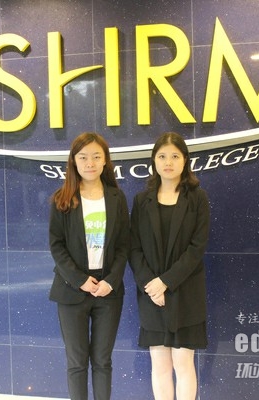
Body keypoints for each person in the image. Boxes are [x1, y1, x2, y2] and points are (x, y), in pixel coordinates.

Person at [48, 132, 129, 400]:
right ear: (74, 161)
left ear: (105, 160)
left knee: (103, 361)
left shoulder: (116, 198)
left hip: (108, 291)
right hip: (72, 290)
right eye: (83, 157)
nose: (90, 163)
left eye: (96, 156)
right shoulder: (62, 198)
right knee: (77, 362)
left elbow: (124, 245)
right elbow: (56, 246)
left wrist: (111, 281)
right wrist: (79, 279)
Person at [130, 132, 210, 400]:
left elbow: (197, 248)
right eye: (162, 156)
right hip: (152, 294)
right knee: (160, 365)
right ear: (154, 160)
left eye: (175, 156)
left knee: (183, 364)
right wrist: (152, 286)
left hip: (185, 291)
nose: (168, 162)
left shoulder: (197, 198)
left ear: (185, 160)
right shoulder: (141, 200)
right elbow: (133, 248)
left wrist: (165, 282)